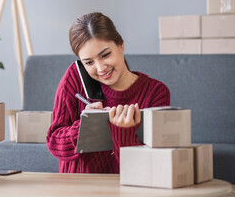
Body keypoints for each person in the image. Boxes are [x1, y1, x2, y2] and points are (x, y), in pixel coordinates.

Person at [46, 12, 170, 173]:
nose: (101, 68)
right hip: (77, 188)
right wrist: (85, 128)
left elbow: (149, 167)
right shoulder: (75, 78)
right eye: (89, 62)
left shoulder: (155, 92)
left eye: (105, 55)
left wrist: (124, 133)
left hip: (126, 187)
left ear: (121, 45)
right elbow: (54, 143)